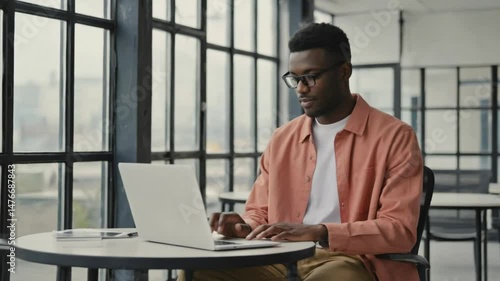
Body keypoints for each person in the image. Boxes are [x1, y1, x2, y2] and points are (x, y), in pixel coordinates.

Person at [178, 23, 423, 281]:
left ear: (344, 72)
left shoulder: (395, 137)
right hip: (279, 256)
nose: (301, 89)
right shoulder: (282, 139)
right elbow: (260, 211)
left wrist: (320, 232)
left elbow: (399, 230)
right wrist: (243, 225)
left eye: (310, 77)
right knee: (195, 272)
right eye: (294, 79)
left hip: (353, 260)